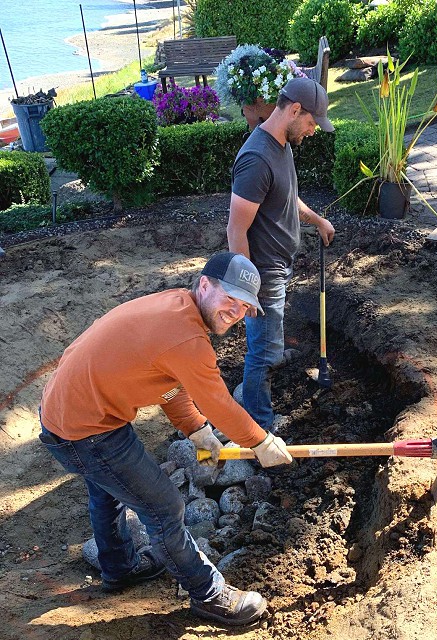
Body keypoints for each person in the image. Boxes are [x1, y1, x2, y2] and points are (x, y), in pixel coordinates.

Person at [38, 252, 293, 627]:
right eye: (230, 298)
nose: (236, 312)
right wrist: (260, 441)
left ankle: (119, 567)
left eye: (244, 307)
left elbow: (170, 387)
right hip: (86, 430)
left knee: (107, 491)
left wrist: (197, 430)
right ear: (205, 284)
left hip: (73, 415)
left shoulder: (177, 308)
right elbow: (220, 403)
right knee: (164, 506)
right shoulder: (187, 336)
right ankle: (209, 595)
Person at [227, 77, 336, 432]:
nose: (313, 131)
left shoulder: (282, 145)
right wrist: (247, 290)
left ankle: (271, 358)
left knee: (267, 343)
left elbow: (286, 197)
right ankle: (260, 428)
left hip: (278, 268)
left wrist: (316, 219)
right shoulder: (256, 159)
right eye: (311, 122)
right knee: (259, 354)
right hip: (262, 275)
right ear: (294, 110)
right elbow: (235, 231)